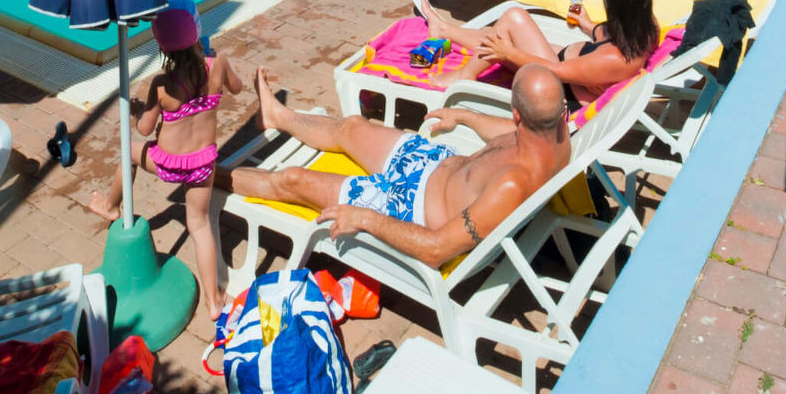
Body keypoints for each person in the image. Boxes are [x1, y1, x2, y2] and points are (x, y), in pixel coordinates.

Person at [229, 65, 570, 269]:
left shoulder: (510, 186)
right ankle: (278, 116)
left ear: (517, 114)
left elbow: (436, 250)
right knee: (351, 127)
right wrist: (464, 115)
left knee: (292, 179)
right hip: (433, 161)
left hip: (405, 206)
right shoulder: (555, 133)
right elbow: (507, 133)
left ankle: (202, 176)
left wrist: (365, 218)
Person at [89, 6, 245, 319]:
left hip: (169, 163)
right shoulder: (218, 65)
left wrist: (136, 109)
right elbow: (237, 87)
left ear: (161, 47)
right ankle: (214, 301)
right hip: (203, 163)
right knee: (199, 226)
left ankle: (110, 205)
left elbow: (145, 129)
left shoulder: (161, 85)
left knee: (131, 151)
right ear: (197, 34)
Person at [424, 0, 660, 101]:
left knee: (513, 19)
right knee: (500, 34)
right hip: (570, 67)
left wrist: (509, 54)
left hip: (557, 89)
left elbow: (555, 71)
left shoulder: (613, 59)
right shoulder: (647, 28)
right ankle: (444, 29)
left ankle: (464, 76)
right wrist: (587, 24)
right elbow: (607, 37)